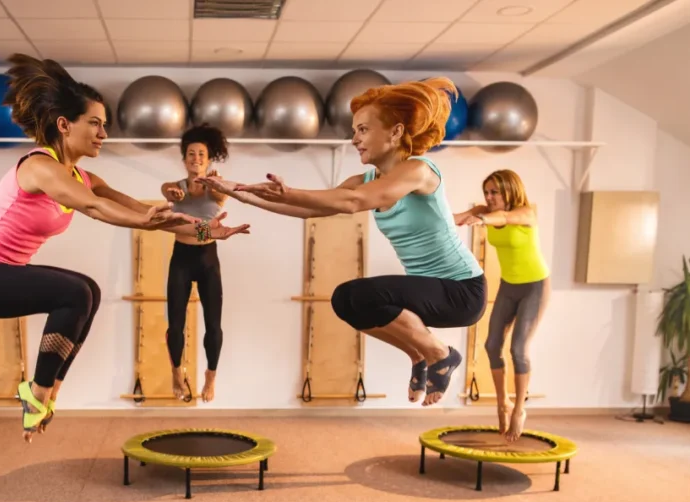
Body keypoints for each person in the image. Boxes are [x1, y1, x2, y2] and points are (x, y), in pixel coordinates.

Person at [0, 55, 249, 441]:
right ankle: (36, 393)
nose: (103, 133)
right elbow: (94, 207)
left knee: (89, 290)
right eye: (95, 123)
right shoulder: (40, 167)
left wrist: (205, 230)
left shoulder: (82, 176)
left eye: (105, 125)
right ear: (64, 124)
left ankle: (50, 391)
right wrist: (144, 222)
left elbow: (141, 209)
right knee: (73, 294)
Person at [199, 78, 484, 406]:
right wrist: (238, 192)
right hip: (430, 294)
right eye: (354, 131)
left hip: (462, 291)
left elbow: (352, 202)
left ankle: (441, 354)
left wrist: (288, 191)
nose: (354, 139)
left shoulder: (419, 170)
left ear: (395, 132)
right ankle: (418, 355)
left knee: (359, 293)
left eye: (363, 130)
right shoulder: (365, 180)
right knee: (345, 302)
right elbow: (307, 209)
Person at [454, 169, 550, 440]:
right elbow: (458, 217)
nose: (489, 197)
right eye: (486, 192)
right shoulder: (486, 210)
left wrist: (481, 218)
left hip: (535, 287)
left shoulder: (526, 213)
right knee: (491, 345)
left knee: (518, 349)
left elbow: (506, 218)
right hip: (508, 286)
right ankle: (502, 403)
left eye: (495, 192)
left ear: (510, 190)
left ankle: (519, 409)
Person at [159, 124, 230, 402]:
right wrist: (171, 194)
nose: (196, 158)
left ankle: (210, 378)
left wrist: (216, 185)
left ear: (209, 159)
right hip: (181, 258)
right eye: (191, 154)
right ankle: (176, 372)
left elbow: (220, 199)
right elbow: (166, 190)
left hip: (208, 259)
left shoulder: (217, 188)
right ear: (184, 158)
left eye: (201, 154)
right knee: (175, 326)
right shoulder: (175, 187)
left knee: (214, 326)